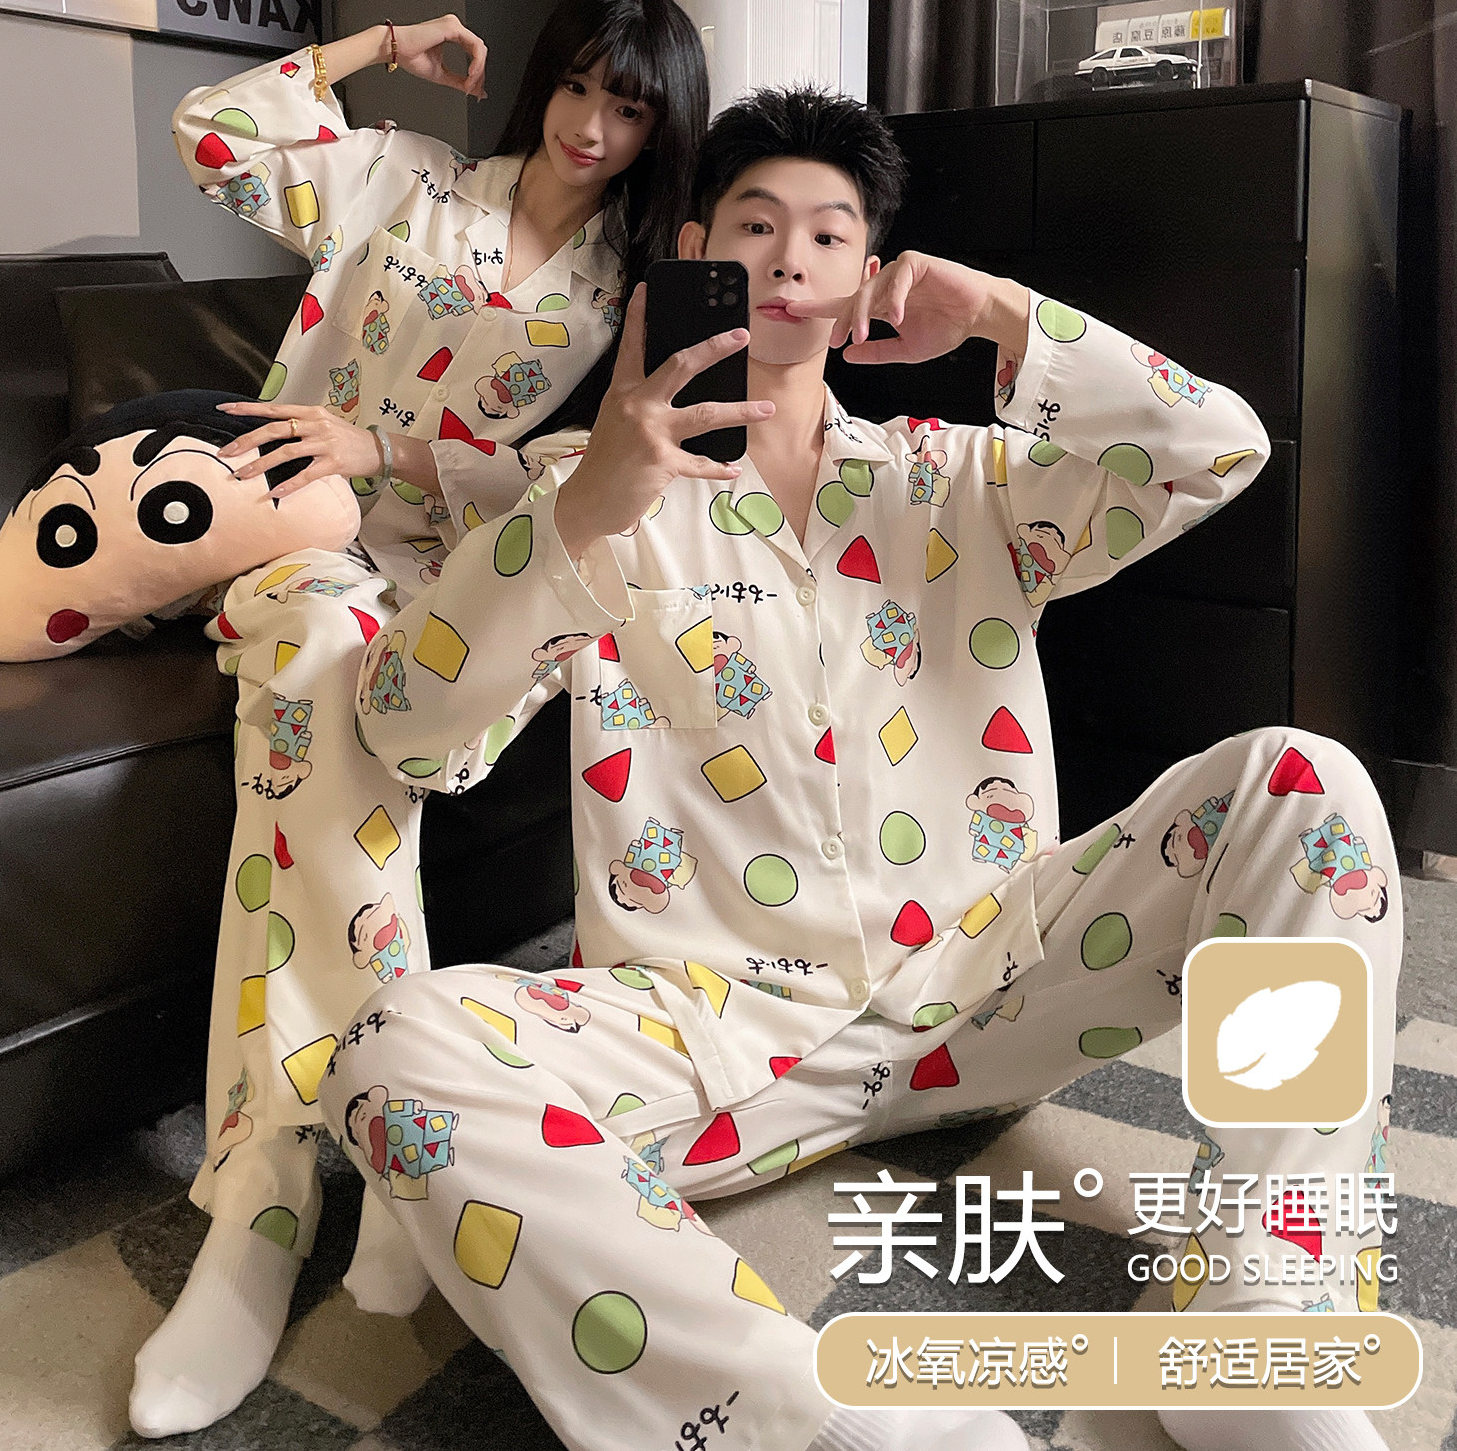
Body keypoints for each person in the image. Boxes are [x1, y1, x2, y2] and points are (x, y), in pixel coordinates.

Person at [325, 88, 1402, 1451]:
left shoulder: (963, 482)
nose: (790, 258)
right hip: (713, 1038)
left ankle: (1260, 1306)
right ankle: (836, 1425)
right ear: (692, 251)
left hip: (986, 982)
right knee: (396, 1054)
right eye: (755, 226)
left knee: (1302, 783)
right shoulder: (588, 493)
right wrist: (586, 506)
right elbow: (410, 729)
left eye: (830, 235)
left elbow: (1219, 448)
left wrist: (1003, 315)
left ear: (866, 281)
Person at [128, 0, 709, 1439]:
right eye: (576, 87)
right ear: (540, 82)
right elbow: (213, 128)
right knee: (329, 650)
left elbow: (585, 468)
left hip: (454, 567)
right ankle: (295, 1185)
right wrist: (380, 47)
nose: (591, 126)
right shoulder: (408, 176)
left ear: (661, 128)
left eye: (628, 108)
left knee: (350, 711)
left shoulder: (629, 286)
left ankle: (310, 1172)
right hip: (298, 536)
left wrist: (387, 445)